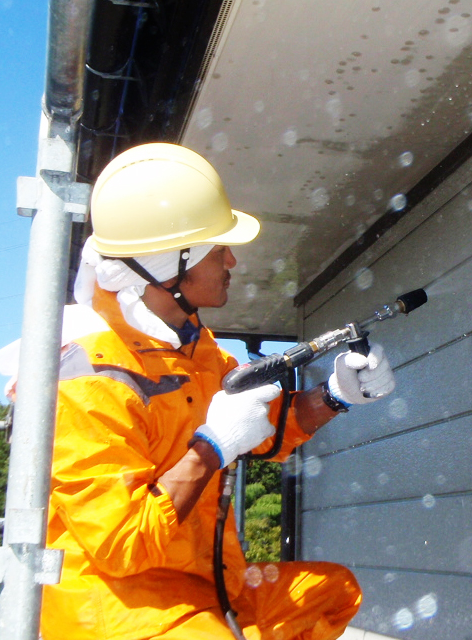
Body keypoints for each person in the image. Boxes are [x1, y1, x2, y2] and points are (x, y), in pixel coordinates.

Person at [27, 143, 394, 639]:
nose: (232, 261)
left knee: (332, 593)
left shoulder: (197, 348)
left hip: (204, 581)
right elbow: (122, 545)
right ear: (170, 266)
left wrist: (334, 395)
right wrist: (211, 448)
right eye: (217, 248)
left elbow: (262, 430)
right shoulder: (90, 377)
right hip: (119, 605)